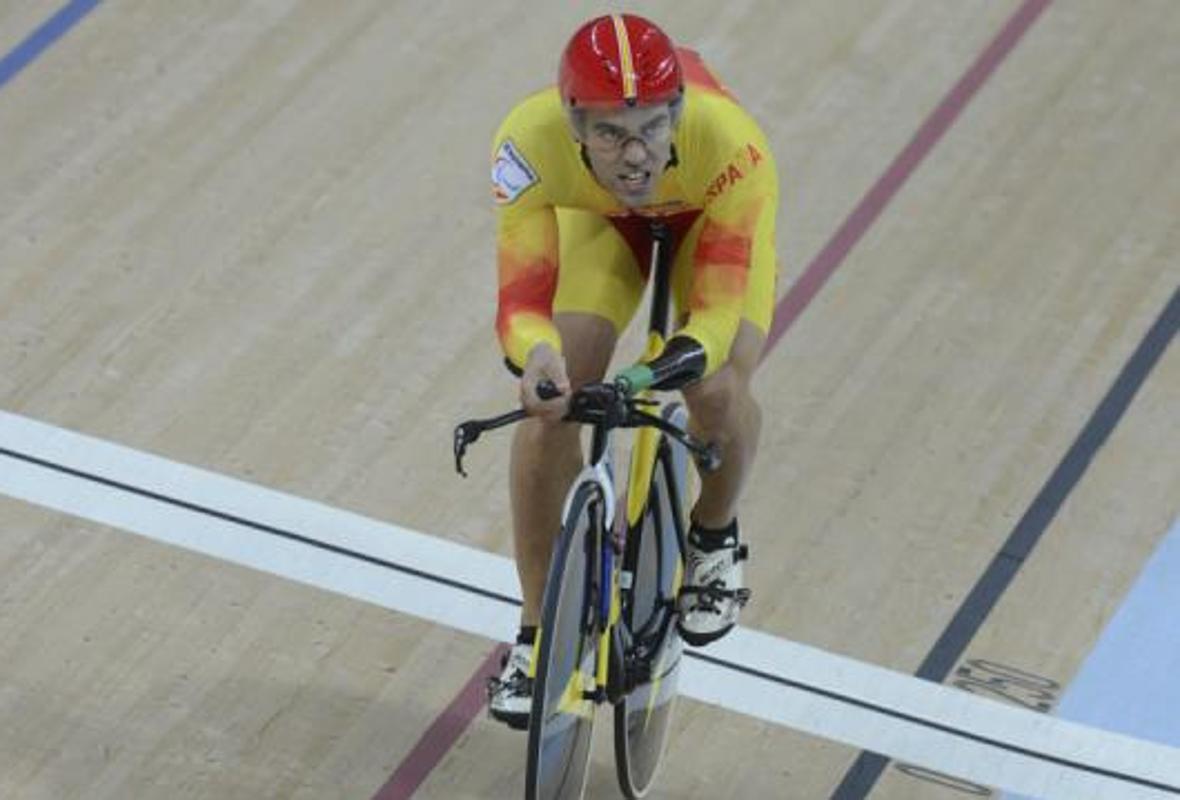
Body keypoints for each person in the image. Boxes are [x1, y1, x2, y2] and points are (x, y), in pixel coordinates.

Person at [487, 13, 780, 729]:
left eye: (652, 127)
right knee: (551, 405)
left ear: (676, 112)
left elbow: (715, 319)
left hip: (707, 217)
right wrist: (539, 357)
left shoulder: (731, 144)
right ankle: (536, 635)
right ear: (573, 124)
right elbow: (521, 301)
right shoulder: (526, 144)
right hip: (601, 221)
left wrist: (659, 369)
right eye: (611, 134)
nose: (636, 155)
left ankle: (713, 534)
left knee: (715, 386)